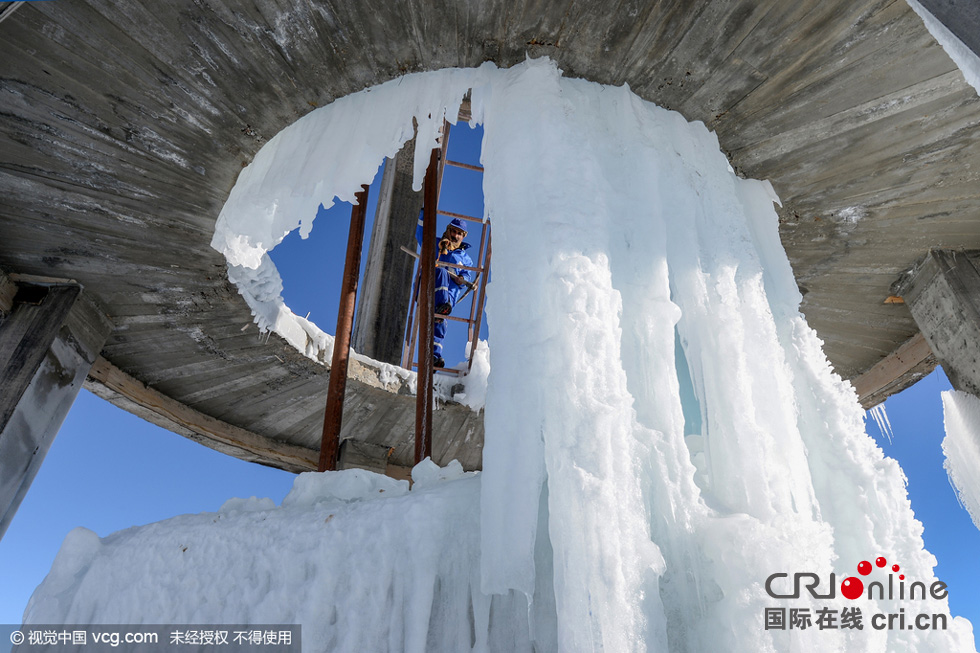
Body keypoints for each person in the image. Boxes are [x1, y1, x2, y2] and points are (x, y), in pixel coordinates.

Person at [416, 215, 475, 368]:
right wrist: (424, 212)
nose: (455, 236)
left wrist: (462, 278)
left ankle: (434, 358)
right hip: (429, 290)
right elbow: (420, 233)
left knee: (440, 324)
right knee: (441, 272)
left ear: (463, 236)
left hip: (448, 298)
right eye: (453, 231)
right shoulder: (434, 244)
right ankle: (442, 306)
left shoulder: (465, 259)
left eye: (459, 234)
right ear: (448, 231)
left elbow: (467, 275)